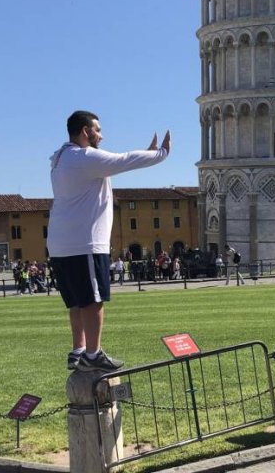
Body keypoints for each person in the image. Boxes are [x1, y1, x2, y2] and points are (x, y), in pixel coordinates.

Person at [47, 110, 170, 371]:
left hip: (61, 245)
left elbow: (115, 162)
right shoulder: (83, 157)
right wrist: (158, 155)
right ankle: (93, 354)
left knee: (77, 301)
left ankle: (78, 350)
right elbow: (124, 160)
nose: (101, 136)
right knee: (93, 300)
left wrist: (147, 154)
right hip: (85, 243)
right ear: (84, 132)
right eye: (98, 130)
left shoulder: (60, 158)